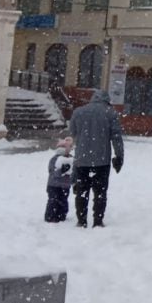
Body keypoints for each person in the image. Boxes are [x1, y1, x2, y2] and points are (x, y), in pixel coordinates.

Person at [69, 90, 125, 228]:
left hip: (81, 159)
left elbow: (73, 132)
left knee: (82, 191)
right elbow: (116, 137)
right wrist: (119, 156)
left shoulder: (79, 112)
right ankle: (98, 220)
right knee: (100, 192)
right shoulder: (110, 113)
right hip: (102, 160)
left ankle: (81, 220)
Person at [44, 136, 74, 223]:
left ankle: (61, 215)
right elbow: (53, 171)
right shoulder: (54, 159)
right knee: (53, 201)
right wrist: (61, 170)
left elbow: (73, 171)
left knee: (63, 201)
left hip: (65, 185)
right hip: (53, 185)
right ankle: (50, 216)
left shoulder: (71, 159)